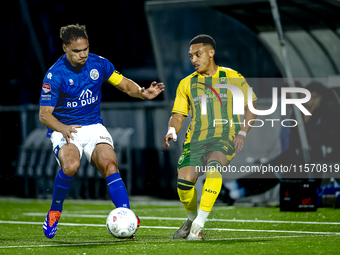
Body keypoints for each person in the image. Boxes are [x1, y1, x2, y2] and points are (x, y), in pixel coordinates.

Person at [39, 24, 164, 239]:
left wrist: (143, 93)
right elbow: (44, 115)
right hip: (65, 128)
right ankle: (54, 211)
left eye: (85, 49)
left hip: (94, 127)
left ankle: (126, 214)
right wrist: (61, 128)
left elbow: (123, 84)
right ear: (65, 49)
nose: (83, 54)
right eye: (77, 51)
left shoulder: (99, 63)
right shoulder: (55, 76)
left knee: (110, 164)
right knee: (71, 166)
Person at [163, 34, 257, 240]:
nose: (194, 60)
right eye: (191, 56)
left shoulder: (232, 76)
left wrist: (242, 132)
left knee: (214, 168)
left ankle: (199, 225)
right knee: (184, 182)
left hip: (225, 137)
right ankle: (190, 219)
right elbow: (178, 115)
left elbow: (251, 107)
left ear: (211, 52)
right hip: (195, 140)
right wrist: (172, 130)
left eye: (198, 54)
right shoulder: (186, 84)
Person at [220, 82, 340, 203]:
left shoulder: (328, 117)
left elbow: (326, 142)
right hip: (297, 158)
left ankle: (234, 189)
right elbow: (295, 142)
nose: (310, 102)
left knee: (277, 167)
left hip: (315, 158)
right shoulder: (298, 115)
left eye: (315, 97)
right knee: (275, 168)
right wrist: (303, 122)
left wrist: (307, 125)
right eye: (310, 98)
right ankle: (234, 189)